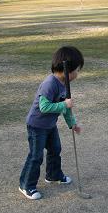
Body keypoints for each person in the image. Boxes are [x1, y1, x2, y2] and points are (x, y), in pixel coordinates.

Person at [19, 46, 84, 200]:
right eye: (77, 70)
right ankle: (26, 185)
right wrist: (64, 105)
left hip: (49, 126)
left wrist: (72, 124)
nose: (78, 74)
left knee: (55, 149)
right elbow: (44, 107)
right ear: (67, 70)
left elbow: (66, 108)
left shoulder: (64, 85)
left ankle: (53, 175)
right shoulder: (50, 83)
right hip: (37, 126)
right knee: (36, 156)